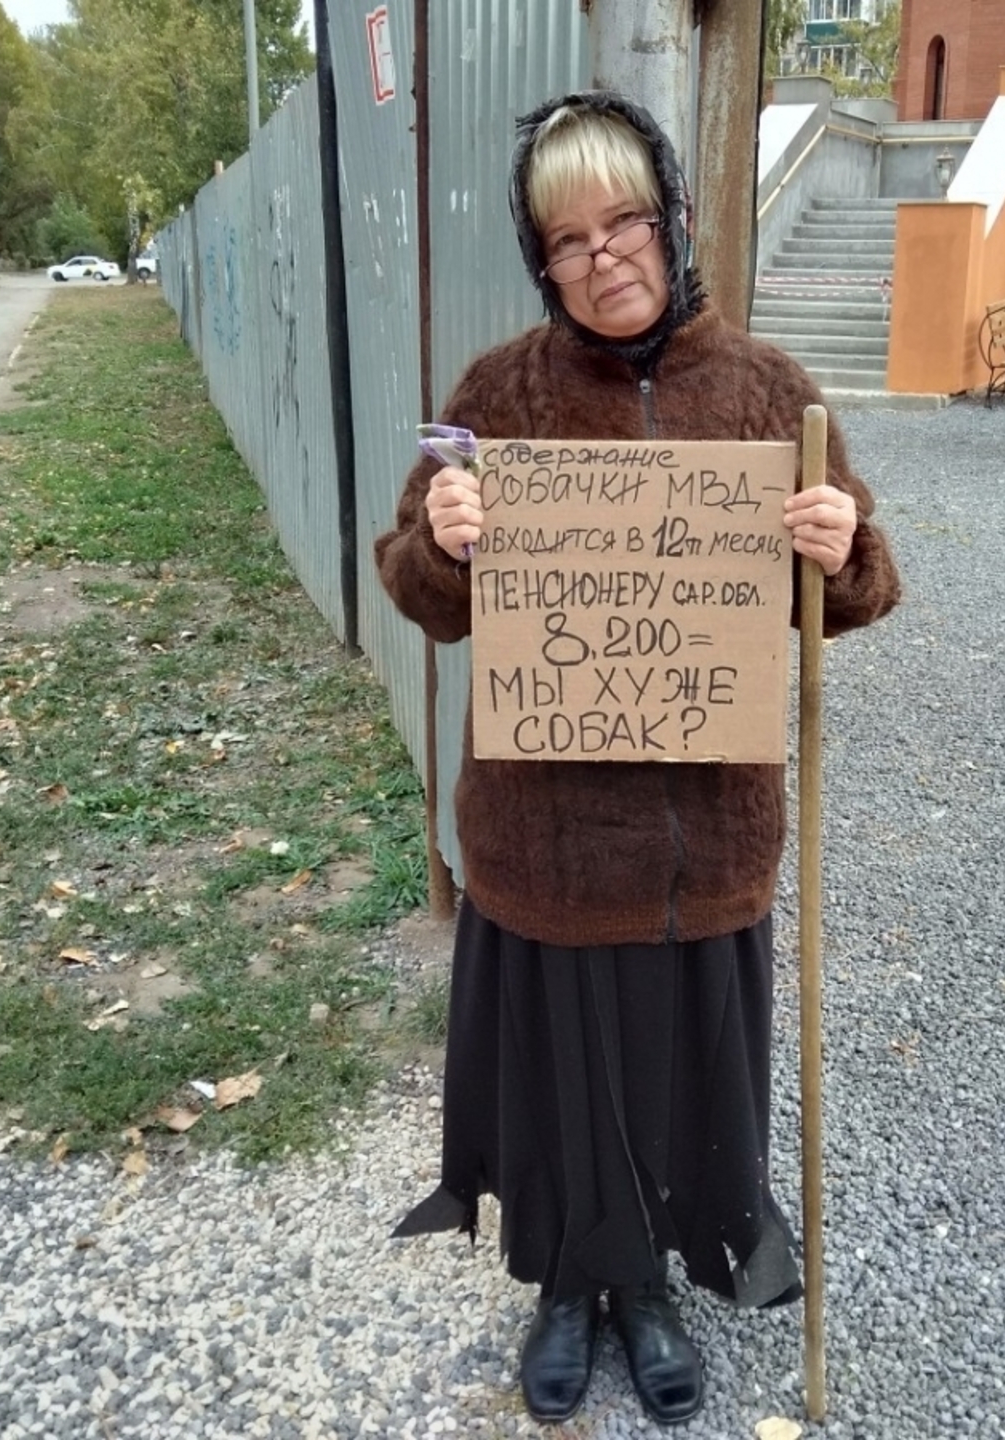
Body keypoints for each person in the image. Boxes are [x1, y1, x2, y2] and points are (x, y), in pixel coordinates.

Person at [377, 91, 901, 1427]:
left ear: (672, 221)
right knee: (558, 1074)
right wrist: (446, 536)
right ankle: (566, 1282)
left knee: (672, 1071)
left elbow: (859, 592)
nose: (603, 255)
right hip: (545, 838)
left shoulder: (773, 391)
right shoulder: (495, 398)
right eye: (568, 237)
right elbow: (418, 594)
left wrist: (837, 547)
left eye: (626, 221)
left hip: (702, 842)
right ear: (538, 256)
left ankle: (651, 1284)